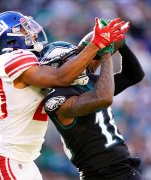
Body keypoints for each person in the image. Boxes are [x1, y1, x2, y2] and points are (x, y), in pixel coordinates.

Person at [0, 11, 130, 180]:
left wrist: (102, 38)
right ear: (10, 39)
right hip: (10, 157)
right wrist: (97, 43)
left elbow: (81, 65)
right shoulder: (12, 58)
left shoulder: (32, 59)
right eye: (22, 29)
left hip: (24, 160)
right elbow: (60, 77)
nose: (31, 31)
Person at [40, 34, 144, 179]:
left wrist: (121, 44)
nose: (79, 61)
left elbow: (134, 75)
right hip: (96, 173)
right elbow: (103, 98)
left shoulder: (88, 82)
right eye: (71, 59)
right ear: (56, 67)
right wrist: (106, 53)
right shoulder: (56, 99)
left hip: (122, 167)